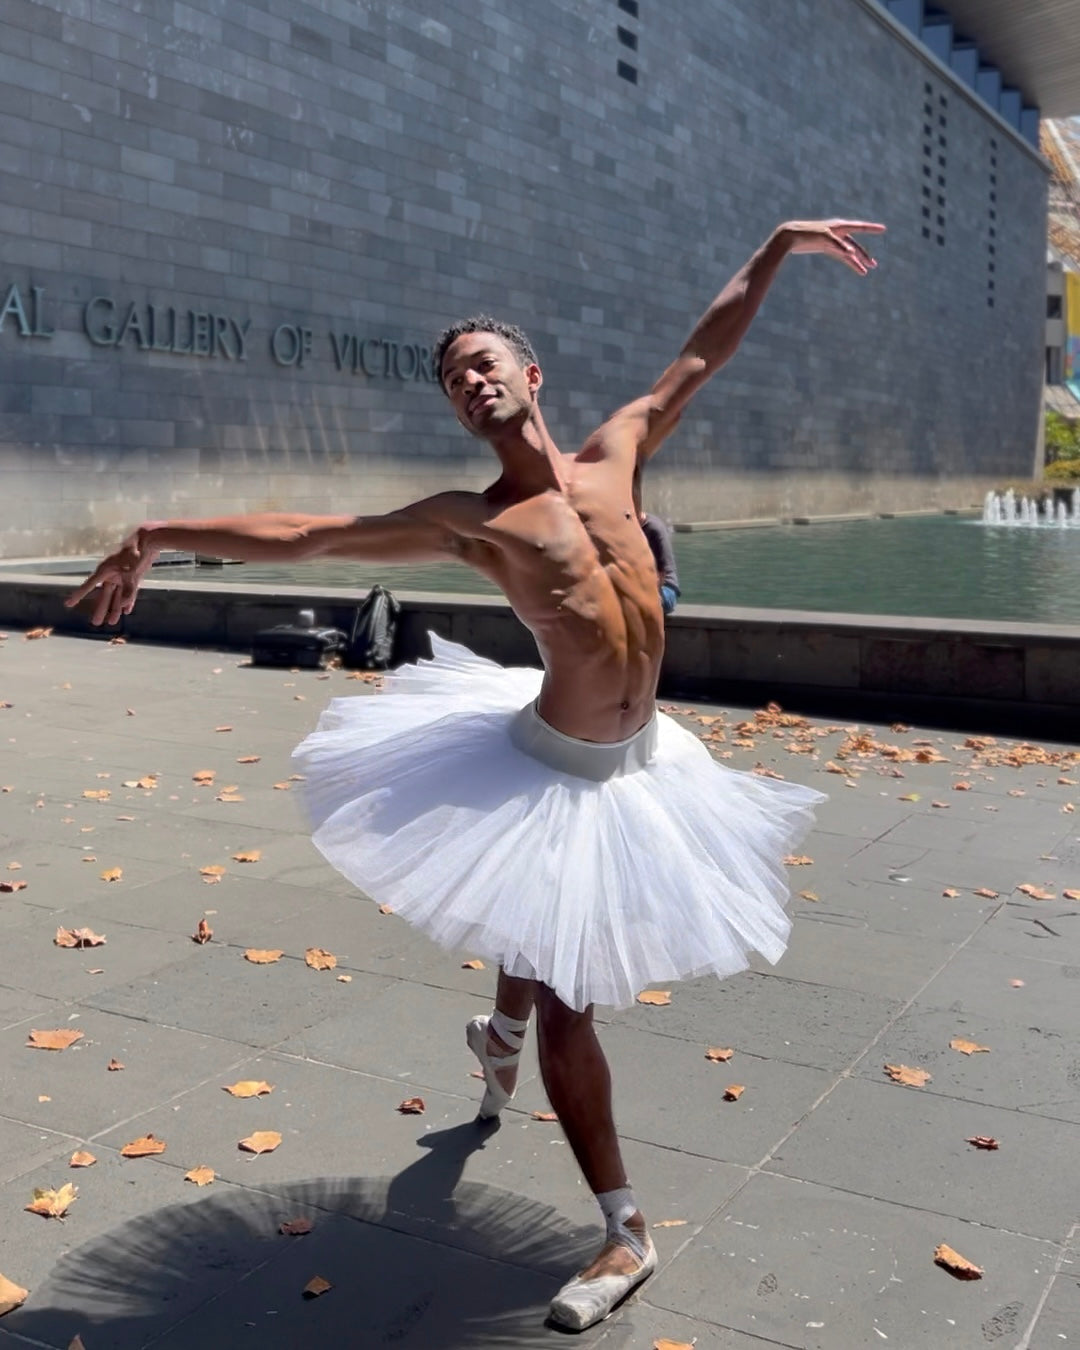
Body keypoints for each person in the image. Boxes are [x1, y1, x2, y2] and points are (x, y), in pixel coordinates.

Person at [66, 217, 883, 1332]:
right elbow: (313, 533)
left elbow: (705, 348)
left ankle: (494, 1038)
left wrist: (781, 245)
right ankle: (625, 1231)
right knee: (566, 999)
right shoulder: (474, 523)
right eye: (453, 382)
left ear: (530, 375)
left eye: (482, 366)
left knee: (540, 947)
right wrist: (160, 530)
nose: (468, 385)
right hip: (553, 769)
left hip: (642, 768)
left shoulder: (621, 450)